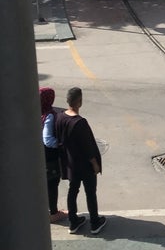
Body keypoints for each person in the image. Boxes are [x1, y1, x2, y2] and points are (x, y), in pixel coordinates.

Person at [54, 87, 106, 235]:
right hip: (85, 165)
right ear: (80, 101)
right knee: (90, 192)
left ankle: (73, 222)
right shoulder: (80, 122)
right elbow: (88, 147)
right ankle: (95, 223)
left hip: (70, 164)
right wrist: (95, 164)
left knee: (73, 190)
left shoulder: (60, 117)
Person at [41, 87, 67, 223]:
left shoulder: (36, 111)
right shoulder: (48, 115)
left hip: (38, 155)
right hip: (49, 157)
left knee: (42, 184)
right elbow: (47, 140)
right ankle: (54, 213)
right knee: (52, 184)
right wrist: (61, 143)